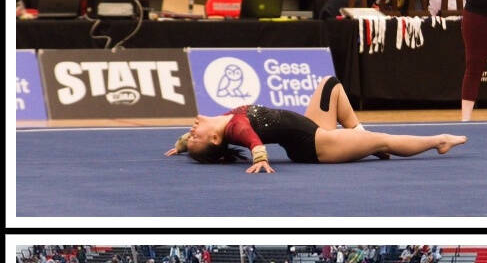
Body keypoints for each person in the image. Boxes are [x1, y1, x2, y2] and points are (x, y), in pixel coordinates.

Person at [164, 76, 467, 171]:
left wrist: (182, 146)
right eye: (194, 137)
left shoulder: (225, 121)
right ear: (216, 140)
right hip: (318, 145)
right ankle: (437, 141)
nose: (191, 131)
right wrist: (260, 160)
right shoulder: (234, 128)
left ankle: (360, 140)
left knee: (330, 84)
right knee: (385, 139)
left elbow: (197, 137)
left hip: (310, 128)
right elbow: (254, 143)